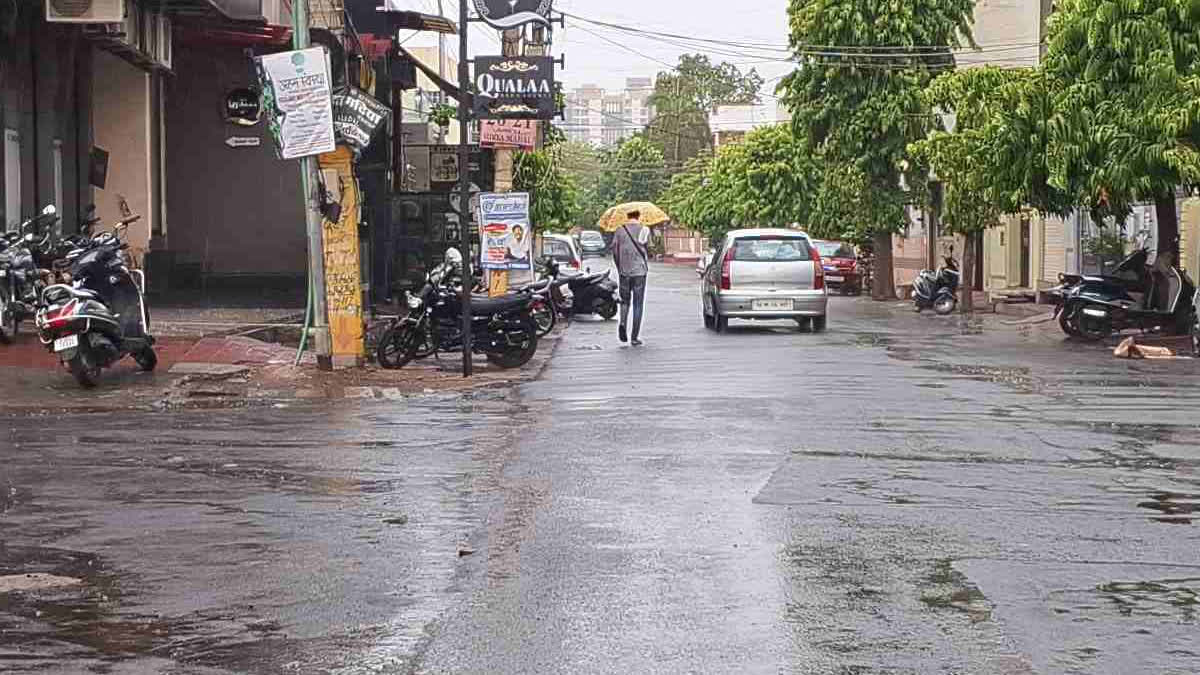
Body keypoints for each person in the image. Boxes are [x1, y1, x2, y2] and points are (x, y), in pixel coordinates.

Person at [610, 210, 651, 345]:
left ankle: (622, 322)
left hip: (624, 272)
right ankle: (634, 337)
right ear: (638, 216)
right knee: (638, 304)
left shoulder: (619, 230)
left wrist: (619, 265)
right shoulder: (644, 229)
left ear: (627, 217)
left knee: (624, 301)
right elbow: (648, 248)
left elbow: (614, 249)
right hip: (640, 271)